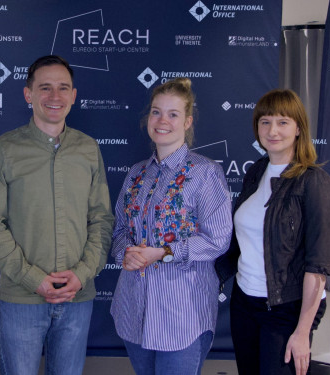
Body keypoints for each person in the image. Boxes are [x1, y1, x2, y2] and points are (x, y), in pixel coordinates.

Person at [0, 55, 114, 375]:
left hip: (77, 298)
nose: (55, 96)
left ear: (74, 95)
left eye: (63, 88)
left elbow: (101, 219)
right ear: (28, 94)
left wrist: (81, 274)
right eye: (45, 88)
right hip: (21, 299)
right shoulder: (2, 150)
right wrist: (32, 278)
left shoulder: (88, 148)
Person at [109, 77, 233, 374]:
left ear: (187, 122)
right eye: (156, 112)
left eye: (173, 114)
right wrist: (125, 252)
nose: (162, 121)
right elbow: (120, 229)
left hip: (182, 315)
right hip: (135, 309)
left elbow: (218, 239)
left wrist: (163, 252)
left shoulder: (205, 173)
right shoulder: (136, 173)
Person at [215, 89, 330, 375]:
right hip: (244, 301)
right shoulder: (256, 172)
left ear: (298, 129)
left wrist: (302, 332)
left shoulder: (315, 183)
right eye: (265, 122)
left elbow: (319, 267)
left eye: (283, 122)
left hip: (286, 308)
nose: (272, 130)